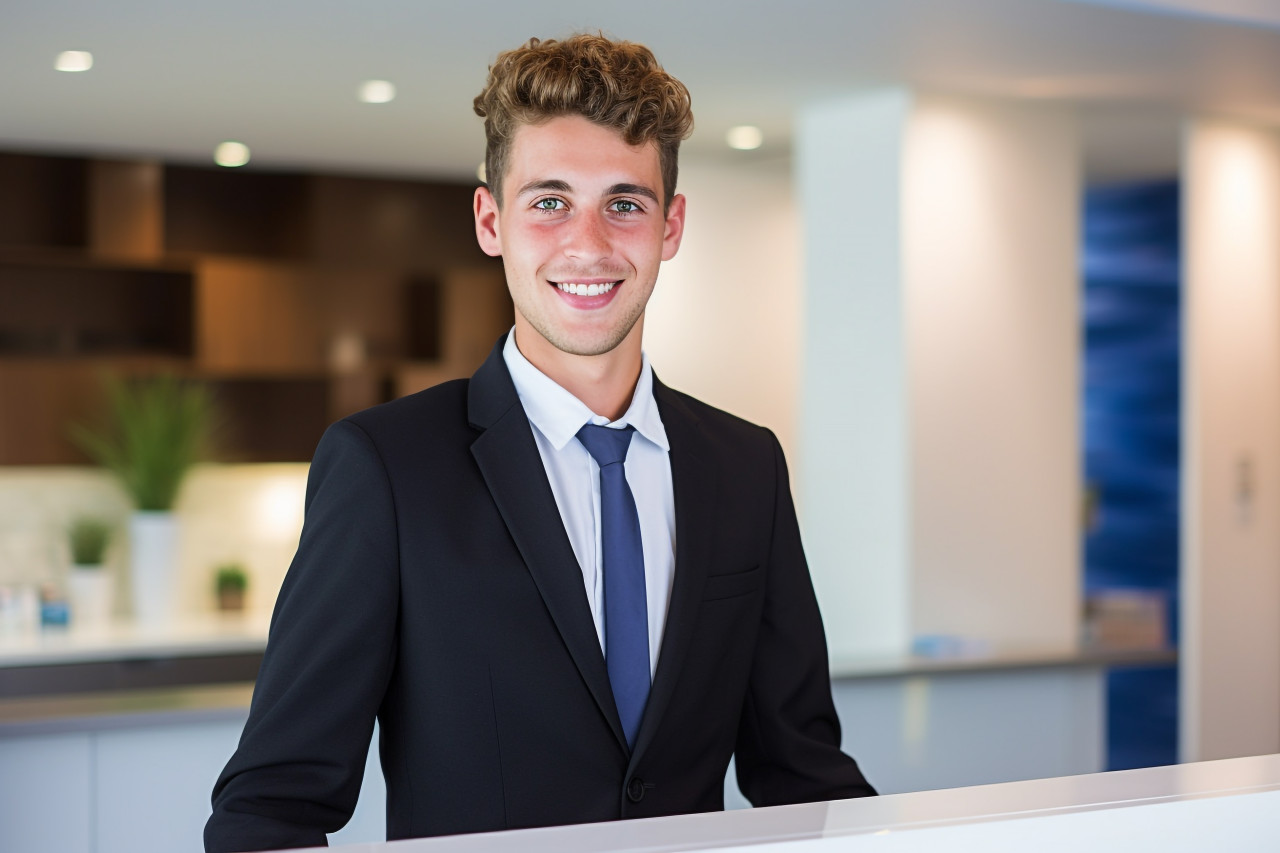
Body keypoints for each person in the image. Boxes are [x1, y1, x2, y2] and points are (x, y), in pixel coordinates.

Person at [205, 33, 874, 853]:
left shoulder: (746, 465)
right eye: (549, 201)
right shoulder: (386, 467)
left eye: (625, 203)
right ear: (492, 220)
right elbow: (269, 808)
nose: (588, 244)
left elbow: (805, 778)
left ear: (671, 226)